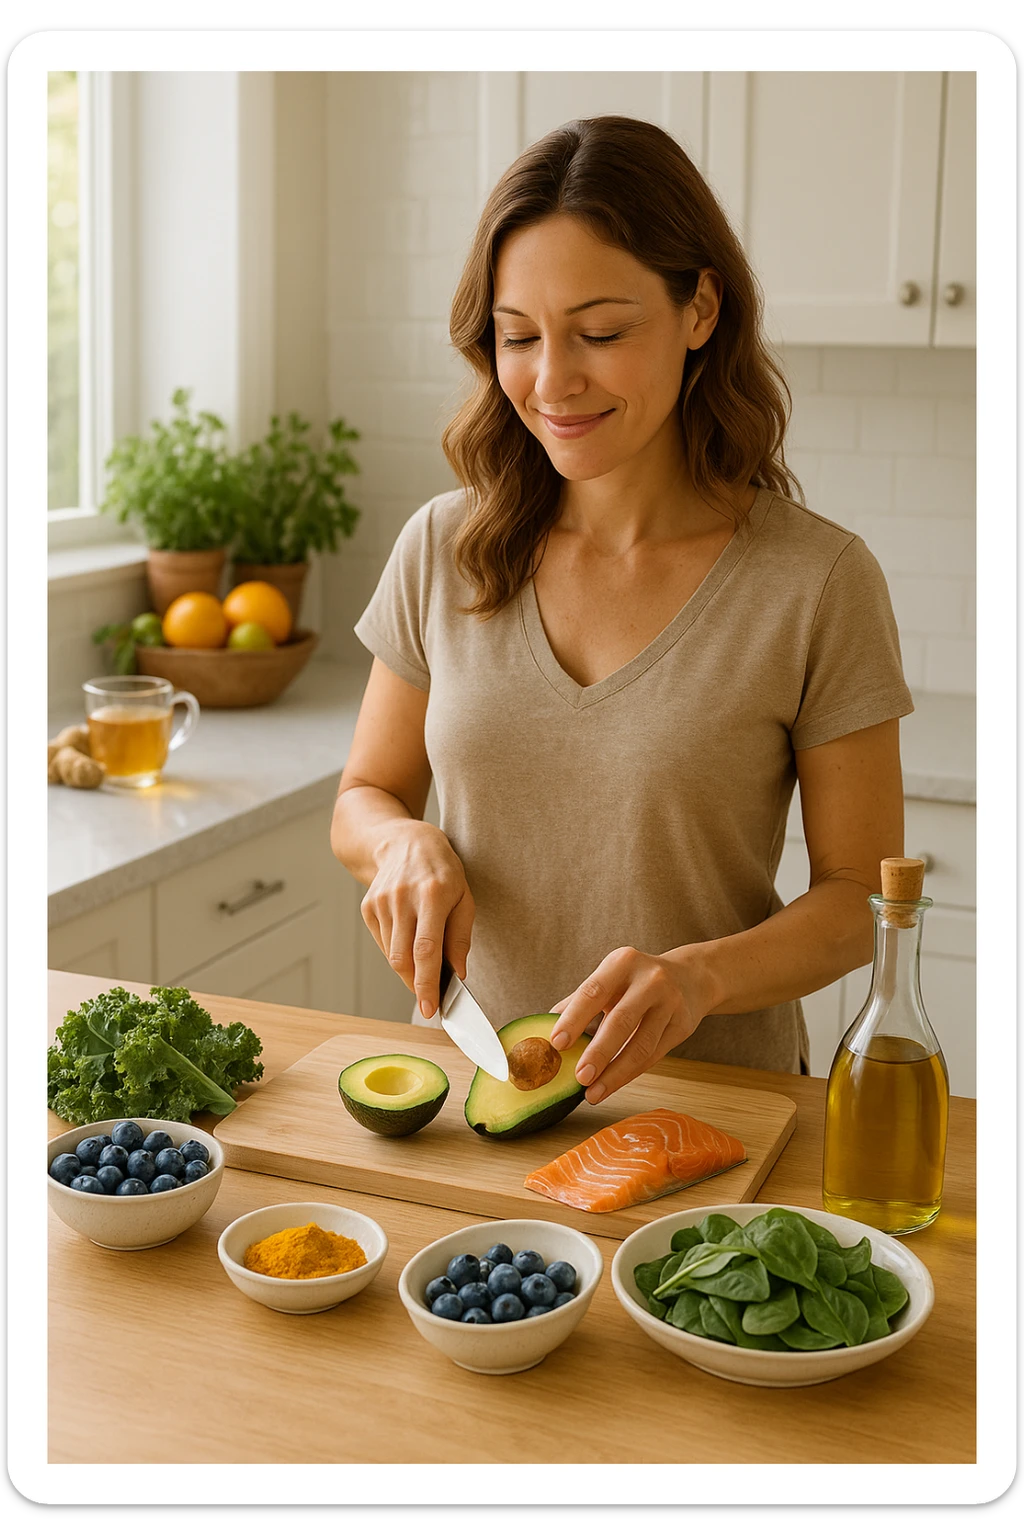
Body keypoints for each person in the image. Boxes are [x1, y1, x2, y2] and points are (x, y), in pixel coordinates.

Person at [330, 115, 913, 1103]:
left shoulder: (817, 581)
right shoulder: (443, 546)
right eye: (519, 336)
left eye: (600, 333)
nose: (553, 380)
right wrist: (401, 843)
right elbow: (364, 796)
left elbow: (861, 899)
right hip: (482, 1092)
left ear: (700, 310)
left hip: (719, 1106)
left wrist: (700, 977)